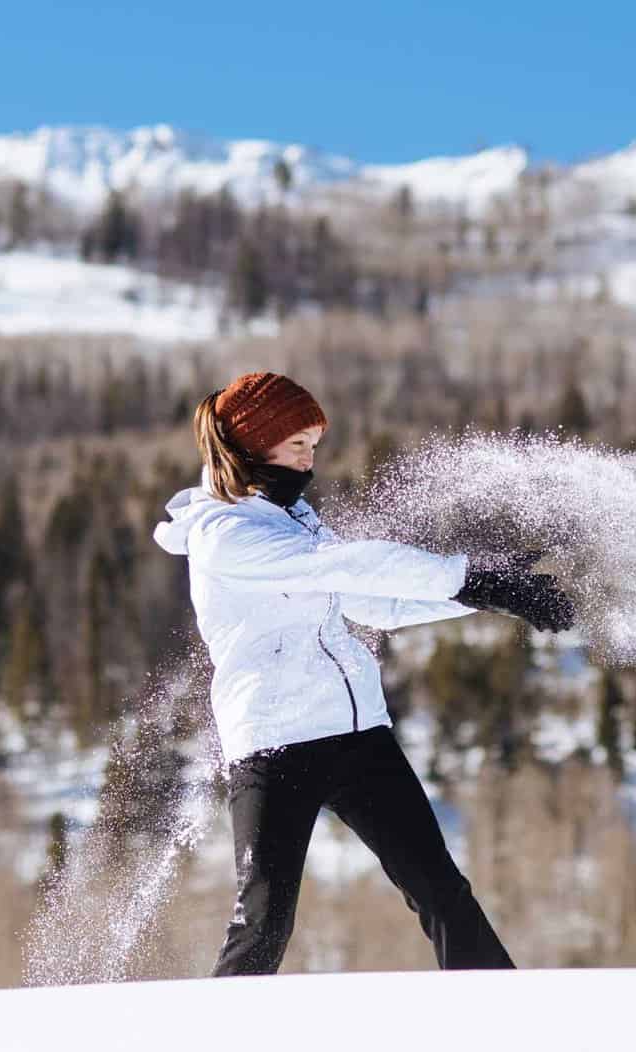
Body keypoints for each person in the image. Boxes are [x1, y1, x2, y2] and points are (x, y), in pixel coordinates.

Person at [153, 371, 573, 976]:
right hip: (277, 745)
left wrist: (485, 595)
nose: (309, 460)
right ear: (251, 445)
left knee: (441, 891)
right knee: (265, 920)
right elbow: (351, 564)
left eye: (314, 447)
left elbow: (371, 603)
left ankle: (501, 1021)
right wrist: (466, 574)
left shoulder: (291, 520)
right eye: (297, 445)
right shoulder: (228, 536)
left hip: (357, 736)